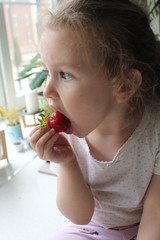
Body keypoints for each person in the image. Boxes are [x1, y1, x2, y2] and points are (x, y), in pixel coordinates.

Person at [29, 0, 160, 239]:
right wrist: (67, 163)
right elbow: (79, 216)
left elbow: (154, 215)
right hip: (92, 228)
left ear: (124, 85)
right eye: (46, 72)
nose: (47, 90)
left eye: (65, 74)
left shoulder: (155, 131)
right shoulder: (72, 131)